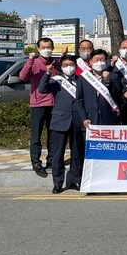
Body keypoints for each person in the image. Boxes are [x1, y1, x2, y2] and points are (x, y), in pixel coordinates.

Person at [38, 54, 81, 193]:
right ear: (61, 67)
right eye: (65, 65)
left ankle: (75, 181)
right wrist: (48, 73)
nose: (69, 67)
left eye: (71, 64)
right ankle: (58, 183)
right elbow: (42, 89)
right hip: (59, 120)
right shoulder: (57, 80)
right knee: (58, 154)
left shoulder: (81, 80)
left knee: (77, 153)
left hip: (77, 121)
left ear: (76, 65)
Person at [19, 37, 56, 175]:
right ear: (38, 49)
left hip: (54, 104)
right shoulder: (33, 62)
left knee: (53, 134)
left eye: (49, 47)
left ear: (53, 48)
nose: (46, 49)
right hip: (38, 104)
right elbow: (23, 77)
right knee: (36, 135)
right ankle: (36, 161)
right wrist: (30, 60)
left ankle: (52, 160)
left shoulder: (56, 63)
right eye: (43, 47)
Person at [75, 49, 122, 130]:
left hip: (109, 119)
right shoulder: (83, 77)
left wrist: (108, 82)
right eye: (96, 60)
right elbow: (79, 99)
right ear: (91, 62)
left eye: (102, 60)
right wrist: (84, 118)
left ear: (106, 61)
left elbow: (118, 95)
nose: (99, 62)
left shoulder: (114, 76)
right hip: (89, 119)